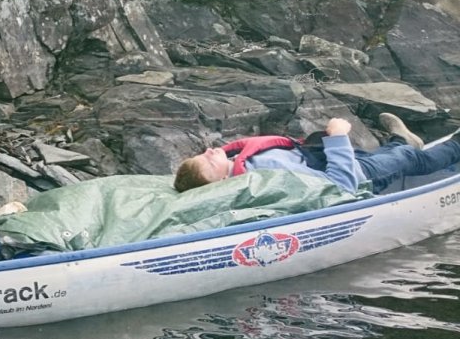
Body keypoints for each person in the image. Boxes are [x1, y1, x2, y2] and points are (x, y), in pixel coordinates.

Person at [173, 113, 460, 194]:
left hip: (329, 158)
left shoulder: (240, 162)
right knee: (408, 159)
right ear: (222, 181)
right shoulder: (265, 177)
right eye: (209, 160)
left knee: (387, 152)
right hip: (357, 174)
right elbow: (341, 184)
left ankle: (401, 140)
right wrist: (338, 137)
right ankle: (454, 145)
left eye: (203, 153)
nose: (210, 150)